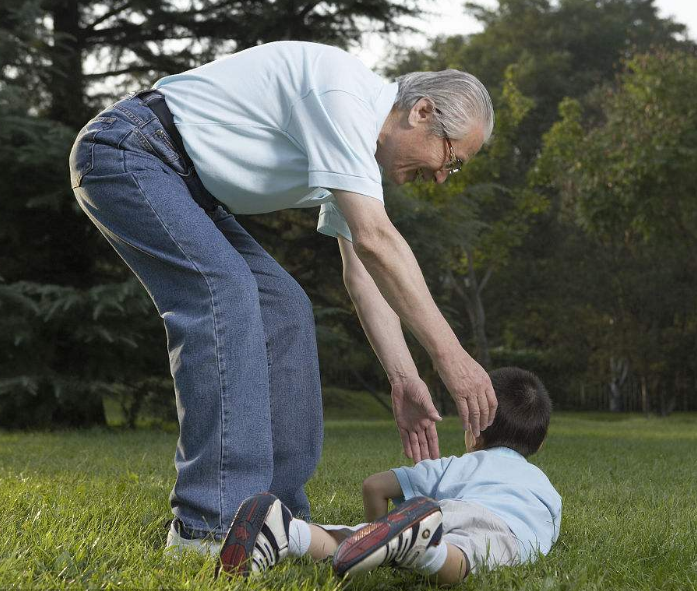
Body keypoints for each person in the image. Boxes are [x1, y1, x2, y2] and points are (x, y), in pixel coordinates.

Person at [67, 40, 499, 549]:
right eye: (452, 155)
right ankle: (209, 525)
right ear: (422, 111)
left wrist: (405, 378)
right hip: (131, 151)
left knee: (285, 307)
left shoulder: (355, 152)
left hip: (188, 185)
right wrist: (454, 361)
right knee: (223, 293)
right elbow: (379, 241)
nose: (444, 176)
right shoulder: (343, 94)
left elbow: (363, 273)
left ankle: (278, 520)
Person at [217, 367, 561, 585]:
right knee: (466, 558)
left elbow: (375, 485)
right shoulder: (545, 489)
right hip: (502, 530)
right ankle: (424, 550)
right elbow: (546, 534)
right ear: (541, 443)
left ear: (474, 433)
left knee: (348, 537)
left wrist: (375, 531)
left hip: (443, 513)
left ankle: (286, 531)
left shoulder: (456, 465)